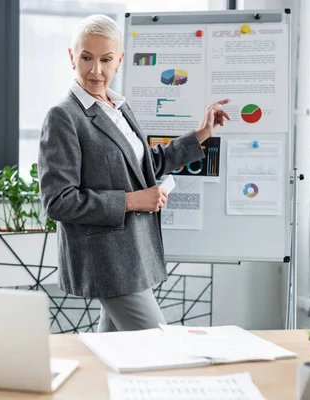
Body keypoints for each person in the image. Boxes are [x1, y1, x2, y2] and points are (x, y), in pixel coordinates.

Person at [38, 14, 230, 332]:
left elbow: (142, 166)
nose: (95, 70)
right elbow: (58, 202)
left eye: (105, 59)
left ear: (119, 61)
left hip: (133, 254)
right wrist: (133, 201)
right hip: (108, 260)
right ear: (72, 57)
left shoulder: (117, 107)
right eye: (86, 57)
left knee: (113, 355)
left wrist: (199, 135)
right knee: (158, 347)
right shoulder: (64, 116)